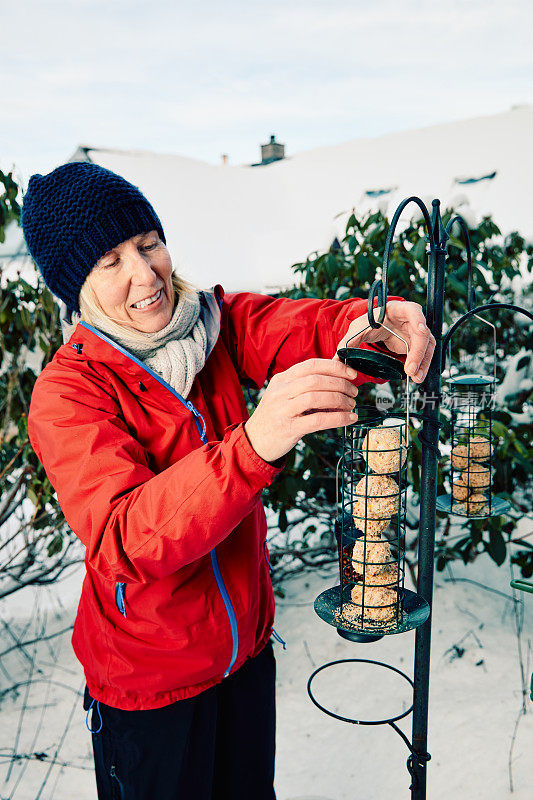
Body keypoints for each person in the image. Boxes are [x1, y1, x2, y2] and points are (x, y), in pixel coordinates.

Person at [21, 161, 435, 800]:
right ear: (74, 285)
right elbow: (123, 535)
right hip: (149, 688)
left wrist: (369, 324)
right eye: (109, 261)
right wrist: (253, 446)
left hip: (244, 660)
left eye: (147, 243)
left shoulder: (211, 322)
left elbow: (296, 329)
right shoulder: (69, 394)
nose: (144, 273)